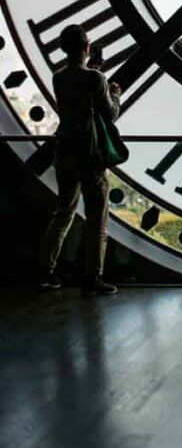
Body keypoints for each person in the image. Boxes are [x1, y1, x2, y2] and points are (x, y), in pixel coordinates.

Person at [36, 24, 121, 295]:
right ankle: (92, 276)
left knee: (63, 212)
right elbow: (109, 113)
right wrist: (114, 93)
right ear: (87, 46)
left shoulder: (58, 77)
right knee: (97, 219)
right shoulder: (96, 80)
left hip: (65, 151)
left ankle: (45, 270)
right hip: (90, 155)